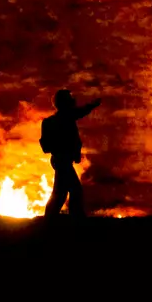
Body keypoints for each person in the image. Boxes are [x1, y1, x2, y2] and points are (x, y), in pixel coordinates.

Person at [40, 89, 101, 217]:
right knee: (74, 190)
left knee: (60, 192)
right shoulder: (65, 117)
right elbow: (81, 112)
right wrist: (93, 105)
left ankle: (51, 218)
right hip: (62, 160)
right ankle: (75, 218)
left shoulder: (53, 121)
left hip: (60, 160)